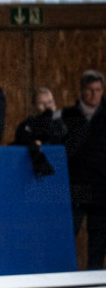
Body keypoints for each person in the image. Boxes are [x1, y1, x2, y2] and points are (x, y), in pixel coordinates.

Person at [62, 70, 105, 270]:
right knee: (68, 233)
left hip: (101, 187)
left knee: (99, 239)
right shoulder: (68, 116)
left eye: (98, 90)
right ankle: (63, 278)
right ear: (81, 91)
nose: (94, 94)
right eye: (90, 90)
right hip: (76, 185)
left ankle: (95, 280)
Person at [12, 88, 66, 178]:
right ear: (34, 105)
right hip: (27, 173)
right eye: (42, 103)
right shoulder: (28, 124)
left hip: (59, 172)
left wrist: (50, 116)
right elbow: (20, 140)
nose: (47, 106)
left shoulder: (61, 121)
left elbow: (60, 136)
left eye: (50, 102)